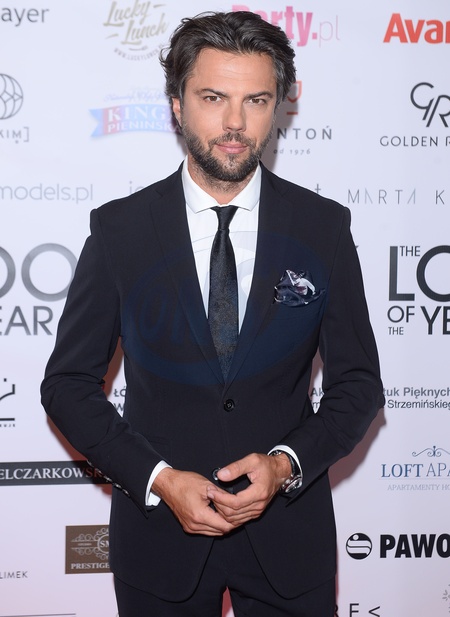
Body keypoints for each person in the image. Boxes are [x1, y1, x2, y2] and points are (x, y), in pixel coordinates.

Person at [41, 10, 384, 617]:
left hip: (289, 539)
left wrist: (284, 467)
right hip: (158, 541)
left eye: (256, 100)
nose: (234, 123)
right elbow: (67, 384)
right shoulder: (121, 230)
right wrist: (159, 477)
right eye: (212, 98)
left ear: (279, 108)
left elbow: (358, 386)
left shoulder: (323, 228)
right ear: (177, 105)